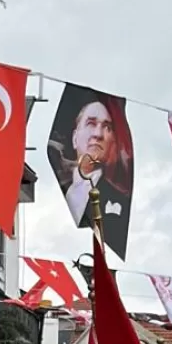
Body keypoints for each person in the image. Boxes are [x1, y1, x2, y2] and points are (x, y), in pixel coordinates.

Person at [48, 90, 134, 255]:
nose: (98, 134)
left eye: (107, 127)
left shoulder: (119, 197)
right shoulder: (56, 186)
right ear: (75, 138)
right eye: (91, 124)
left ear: (112, 143)